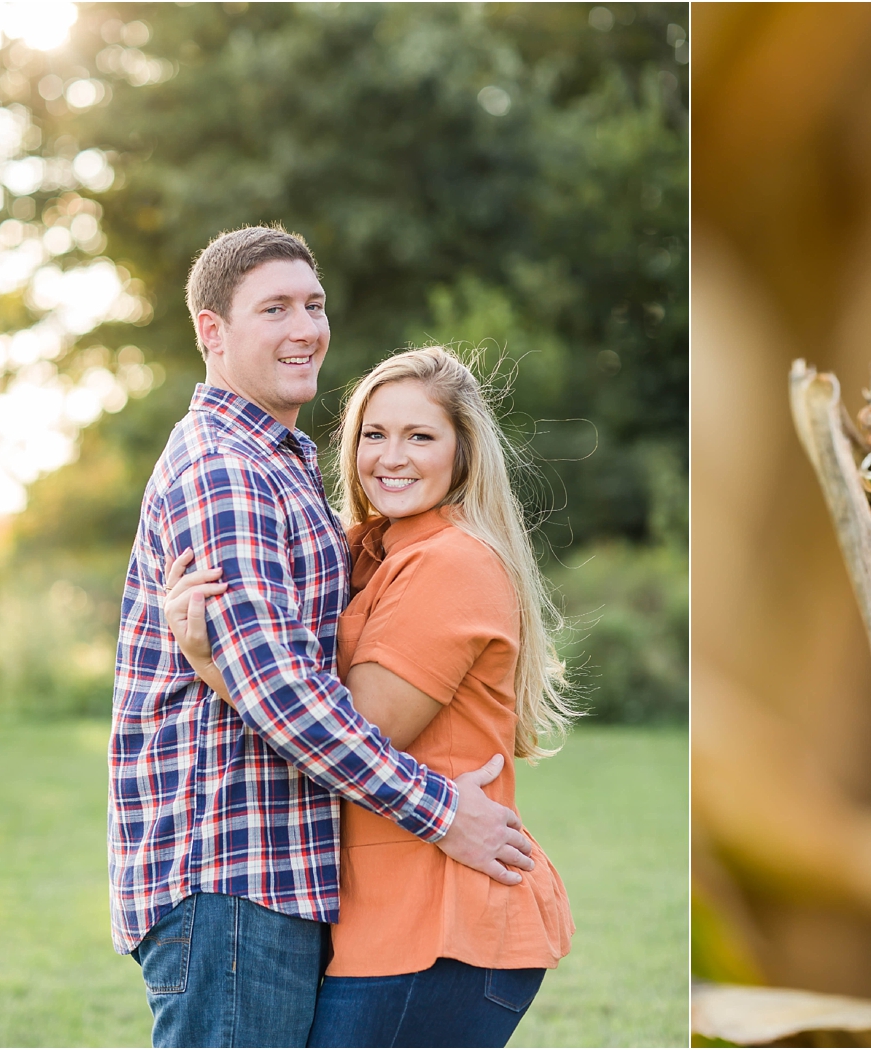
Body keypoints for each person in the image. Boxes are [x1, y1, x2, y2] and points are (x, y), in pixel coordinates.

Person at [110, 226, 536, 1048]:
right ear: (212, 332)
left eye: (314, 304)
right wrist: (443, 811)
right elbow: (284, 692)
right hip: (231, 871)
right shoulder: (226, 468)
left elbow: (296, 670)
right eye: (275, 308)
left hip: (273, 878)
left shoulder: (281, 467)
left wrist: (213, 662)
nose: (305, 327)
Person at [164, 346, 576, 1047]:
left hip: (440, 922)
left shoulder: (451, 564)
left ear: (463, 453)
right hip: (387, 922)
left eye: (420, 436)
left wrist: (209, 661)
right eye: (373, 435)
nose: (392, 457)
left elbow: (354, 729)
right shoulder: (370, 550)